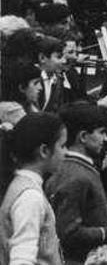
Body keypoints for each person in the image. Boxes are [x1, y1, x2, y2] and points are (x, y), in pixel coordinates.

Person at [46, 103, 107, 263]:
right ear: (83, 137)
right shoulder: (77, 176)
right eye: (101, 132)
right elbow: (69, 233)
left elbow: (92, 206)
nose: (106, 138)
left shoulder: (75, 168)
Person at [0, 112, 66, 265]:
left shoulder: (20, 185)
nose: (65, 152)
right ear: (44, 151)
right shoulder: (30, 197)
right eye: (62, 146)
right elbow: (22, 259)